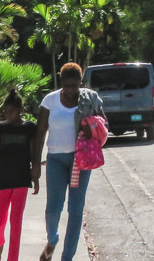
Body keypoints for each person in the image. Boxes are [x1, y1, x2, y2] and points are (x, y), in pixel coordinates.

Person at [32, 62, 105, 261]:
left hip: (81, 161)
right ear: (61, 81)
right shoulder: (50, 101)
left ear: (81, 82)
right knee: (53, 208)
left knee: (75, 209)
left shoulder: (90, 100)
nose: (71, 90)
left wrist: (93, 128)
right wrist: (36, 165)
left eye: (75, 85)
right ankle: (52, 239)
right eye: (67, 85)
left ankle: (67, 257)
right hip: (55, 159)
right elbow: (40, 133)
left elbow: (104, 126)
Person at [0, 91, 39, 261]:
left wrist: (35, 178)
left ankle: (12, 258)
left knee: (16, 223)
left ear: (20, 110)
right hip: (3, 180)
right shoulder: (0, 128)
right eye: (5, 111)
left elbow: (33, 153)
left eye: (11, 111)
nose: (8, 114)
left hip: (21, 180)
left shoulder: (29, 128)